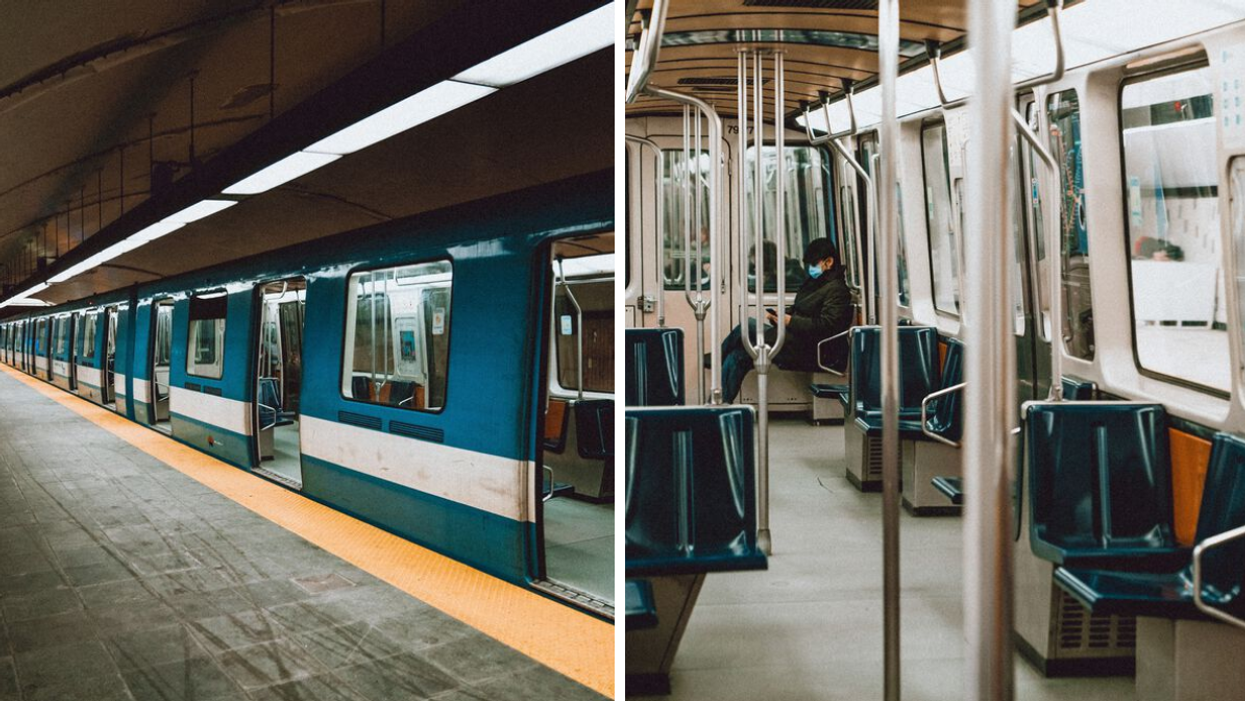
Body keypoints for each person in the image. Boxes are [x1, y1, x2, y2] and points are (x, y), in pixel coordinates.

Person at [716, 237, 853, 403]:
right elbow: (798, 308)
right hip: (797, 340)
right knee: (741, 348)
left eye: (813, 264)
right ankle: (720, 403)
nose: (810, 269)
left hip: (816, 349)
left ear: (829, 262)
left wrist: (789, 321)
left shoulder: (837, 290)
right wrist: (779, 317)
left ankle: (718, 363)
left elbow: (827, 326)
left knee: (745, 338)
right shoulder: (815, 283)